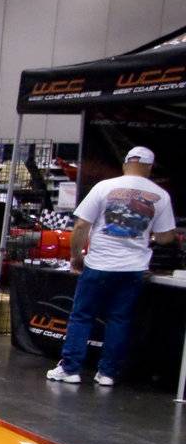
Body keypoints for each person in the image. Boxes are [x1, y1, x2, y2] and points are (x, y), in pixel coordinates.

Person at [48, 146, 176, 386]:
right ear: (149, 167)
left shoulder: (103, 187)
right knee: (119, 319)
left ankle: (70, 369)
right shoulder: (161, 195)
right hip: (133, 269)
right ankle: (107, 373)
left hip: (99, 264)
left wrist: (76, 256)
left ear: (126, 163)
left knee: (82, 316)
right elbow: (166, 237)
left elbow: (80, 226)